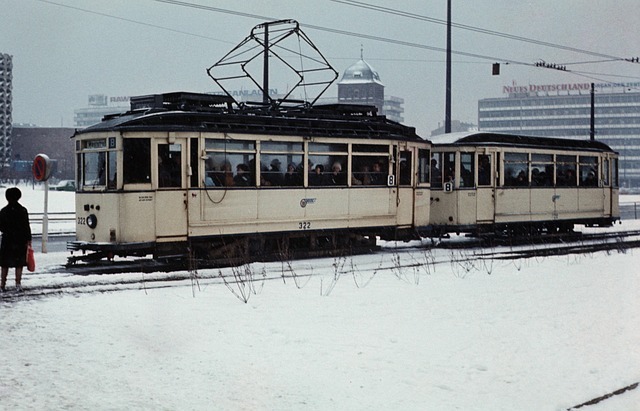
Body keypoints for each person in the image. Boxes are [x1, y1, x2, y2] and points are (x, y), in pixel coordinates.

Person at [0, 187, 32, 292]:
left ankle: (2, 284)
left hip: (7, 240)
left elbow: (1, 227)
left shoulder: (3, 211)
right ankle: (18, 283)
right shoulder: (22, 210)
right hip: (19, 240)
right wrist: (28, 239)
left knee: (5, 263)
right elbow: (26, 226)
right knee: (19, 263)